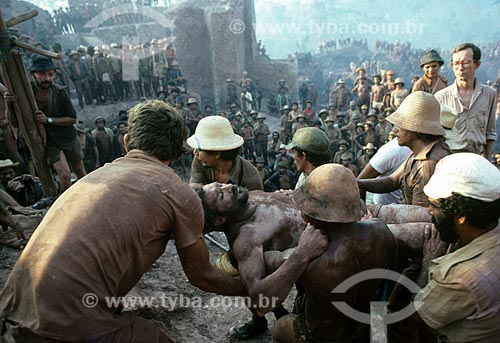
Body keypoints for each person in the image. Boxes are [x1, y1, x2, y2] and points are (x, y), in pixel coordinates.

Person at [0, 100, 245, 342]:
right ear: (179, 152)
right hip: (63, 326)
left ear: (126, 141)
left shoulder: (94, 177)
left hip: (10, 315)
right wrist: (250, 287)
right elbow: (202, 276)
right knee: (154, 337)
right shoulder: (178, 193)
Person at [271, 163, 397, 343]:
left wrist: (299, 253)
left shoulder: (311, 260)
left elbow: (264, 295)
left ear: (306, 214)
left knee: (280, 327)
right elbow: (388, 280)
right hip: (368, 326)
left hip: (328, 336)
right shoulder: (381, 231)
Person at [388, 152, 500, 343]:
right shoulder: (485, 230)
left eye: (434, 206)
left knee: (379, 321)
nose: (429, 211)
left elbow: (414, 318)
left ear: (461, 217)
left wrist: (426, 263)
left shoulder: (460, 279)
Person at [196, 182, 327, 339]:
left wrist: (293, 195)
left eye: (221, 185)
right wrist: (301, 254)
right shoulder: (247, 239)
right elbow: (260, 300)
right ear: (219, 220)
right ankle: (264, 322)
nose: (228, 187)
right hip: (319, 267)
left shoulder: (248, 197)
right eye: (221, 195)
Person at [357, 91, 451, 207]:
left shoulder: (428, 164)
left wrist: (379, 211)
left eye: (400, 125)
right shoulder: (419, 152)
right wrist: (357, 183)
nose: (395, 130)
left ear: (416, 129)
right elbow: (392, 181)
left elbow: (421, 215)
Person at [30, 55, 86, 194]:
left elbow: (72, 118)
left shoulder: (60, 92)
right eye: (42, 75)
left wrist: (48, 120)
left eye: (50, 74)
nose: (47, 79)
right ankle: (61, 204)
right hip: (48, 141)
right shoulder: (28, 93)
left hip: (67, 137)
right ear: (33, 74)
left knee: (81, 173)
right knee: (65, 175)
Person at [435, 43, 497, 160]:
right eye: (456, 63)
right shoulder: (440, 97)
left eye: (465, 62)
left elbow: (490, 132)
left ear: (477, 64)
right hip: (450, 158)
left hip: (477, 158)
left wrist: (487, 160)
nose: (460, 68)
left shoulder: (489, 94)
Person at [188, 116, 263, 190]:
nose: (195, 152)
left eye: (199, 149)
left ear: (217, 154)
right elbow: (194, 187)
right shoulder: (200, 160)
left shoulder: (251, 177)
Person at [358, 138, 411, 205]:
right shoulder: (392, 150)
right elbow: (392, 181)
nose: (396, 130)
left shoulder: (416, 154)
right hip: (386, 206)